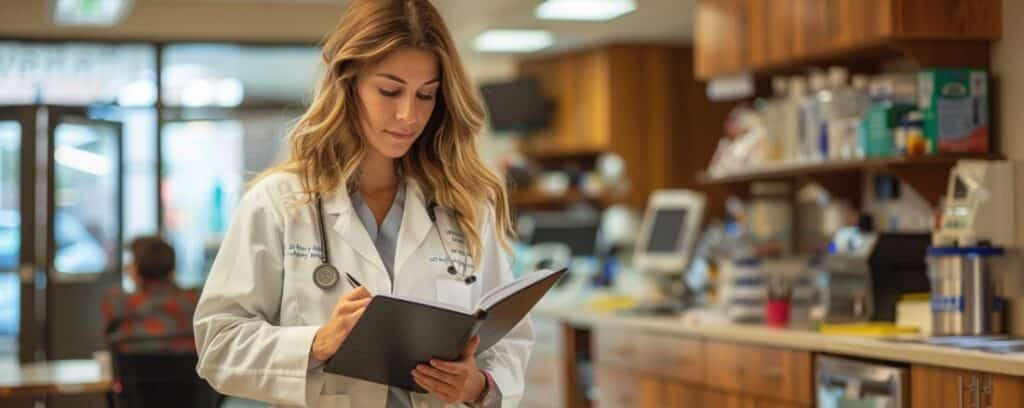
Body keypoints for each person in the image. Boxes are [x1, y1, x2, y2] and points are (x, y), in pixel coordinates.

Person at [192, 1, 533, 407]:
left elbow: (509, 344)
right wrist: (317, 343)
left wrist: (477, 386)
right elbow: (218, 346)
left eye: (426, 95)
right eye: (389, 91)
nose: (408, 115)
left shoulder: (464, 206)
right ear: (348, 83)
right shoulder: (279, 202)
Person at [102, 236, 198, 353]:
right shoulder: (193, 301)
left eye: (130, 263)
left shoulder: (118, 304)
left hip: (133, 371)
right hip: (186, 371)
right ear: (171, 267)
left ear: (137, 269)